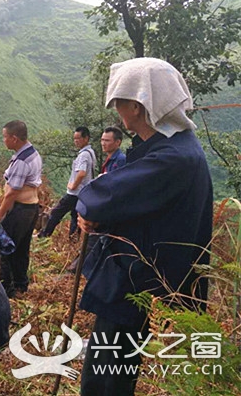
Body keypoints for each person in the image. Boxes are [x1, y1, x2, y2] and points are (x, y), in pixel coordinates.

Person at [76, 57, 213, 395]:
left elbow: (94, 197)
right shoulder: (173, 147)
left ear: (136, 106)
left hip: (134, 283)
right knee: (111, 369)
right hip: (137, 276)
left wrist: (98, 212)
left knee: (106, 377)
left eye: (119, 103)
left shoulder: (171, 158)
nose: (117, 111)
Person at [0, 120, 42, 298]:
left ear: (14, 138)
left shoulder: (22, 161)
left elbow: (11, 193)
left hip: (20, 210)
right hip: (31, 209)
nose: (3, 140)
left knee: (4, 249)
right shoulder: (32, 153)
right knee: (21, 249)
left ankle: (6, 290)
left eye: (5, 137)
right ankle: (21, 285)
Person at [67, 126, 126, 272]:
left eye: (107, 140)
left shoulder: (120, 160)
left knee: (94, 241)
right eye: (102, 140)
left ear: (118, 142)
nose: (103, 143)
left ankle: (76, 270)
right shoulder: (110, 159)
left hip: (110, 212)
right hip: (104, 209)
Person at [40, 126, 96, 238]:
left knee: (56, 212)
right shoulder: (91, 152)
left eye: (78, 138)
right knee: (75, 216)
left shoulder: (84, 154)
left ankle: (44, 236)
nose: (76, 141)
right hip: (83, 193)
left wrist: (72, 186)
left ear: (86, 138)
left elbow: (81, 173)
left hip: (75, 193)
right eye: (74, 138)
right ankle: (73, 240)